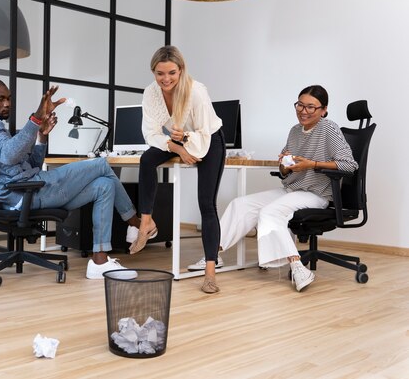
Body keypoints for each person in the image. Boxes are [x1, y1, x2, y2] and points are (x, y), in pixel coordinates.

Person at [191, 85, 358, 292]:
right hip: (292, 190)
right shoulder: (295, 131)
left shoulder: (329, 129)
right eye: (300, 105)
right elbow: (284, 169)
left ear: (323, 110)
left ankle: (298, 267)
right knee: (240, 204)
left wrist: (312, 164)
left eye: (310, 107)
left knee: (270, 212)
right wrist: (284, 165)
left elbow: (350, 165)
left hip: (316, 194)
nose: (303, 111)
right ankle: (213, 256)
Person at [0, 79, 142, 280]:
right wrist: (36, 118)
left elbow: (30, 165)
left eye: (8, 99)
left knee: (104, 185)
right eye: (0, 99)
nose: (7, 103)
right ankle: (136, 223)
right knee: (102, 164)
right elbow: (9, 154)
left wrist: (41, 137)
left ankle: (100, 261)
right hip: (25, 192)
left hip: (29, 189)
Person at [129, 45, 226, 294]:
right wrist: (177, 147)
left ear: (181, 70)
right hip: (178, 138)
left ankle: (210, 273)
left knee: (206, 203)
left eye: (171, 72)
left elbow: (203, 134)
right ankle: (147, 224)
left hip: (208, 139)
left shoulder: (196, 91)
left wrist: (186, 144)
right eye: (160, 73)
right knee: (147, 160)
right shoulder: (151, 93)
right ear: (153, 72)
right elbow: (150, 133)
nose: (166, 79)